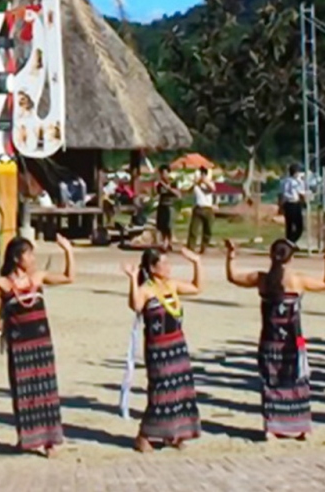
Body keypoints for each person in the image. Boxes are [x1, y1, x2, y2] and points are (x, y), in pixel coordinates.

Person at [0, 235, 75, 456]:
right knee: (23, 393)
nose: (33, 259)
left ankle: (49, 442)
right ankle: (25, 438)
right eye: (29, 254)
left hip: (42, 344)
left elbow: (69, 277)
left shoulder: (38, 277)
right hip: (20, 348)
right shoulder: (3, 283)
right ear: (17, 258)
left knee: (46, 391)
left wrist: (68, 251)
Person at [225, 239, 325, 441]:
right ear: (290, 258)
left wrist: (231, 255)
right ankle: (300, 426)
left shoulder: (262, 279)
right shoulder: (297, 280)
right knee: (297, 381)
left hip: (270, 338)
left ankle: (271, 426)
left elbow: (232, 277)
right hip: (292, 338)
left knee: (271, 381)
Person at [119, 247, 203, 452]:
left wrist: (197, 263)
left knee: (180, 391)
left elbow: (196, 288)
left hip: (177, 345)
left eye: (168, 263)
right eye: (163, 264)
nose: (168, 267)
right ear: (152, 268)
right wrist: (132, 278)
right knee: (161, 392)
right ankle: (144, 435)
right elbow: (136, 305)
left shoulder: (171, 285)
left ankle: (173, 435)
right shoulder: (147, 289)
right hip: (158, 348)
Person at [186, 168, 216, 253]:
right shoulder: (196, 185)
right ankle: (191, 248)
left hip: (208, 208)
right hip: (198, 207)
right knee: (193, 229)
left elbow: (212, 189)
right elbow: (188, 191)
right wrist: (196, 183)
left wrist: (204, 181)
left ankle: (204, 247)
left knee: (208, 230)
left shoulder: (209, 183)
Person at [152, 166, 180, 248]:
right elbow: (155, 194)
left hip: (170, 206)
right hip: (162, 205)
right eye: (162, 173)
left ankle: (170, 241)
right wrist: (154, 186)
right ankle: (165, 241)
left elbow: (178, 194)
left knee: (169, 225)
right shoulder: (159, 184)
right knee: (161, 225)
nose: (164, 175)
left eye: (165, 173)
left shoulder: (173, 182)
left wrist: (167, 187)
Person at [279, 165, 307, 245]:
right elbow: (300, 194)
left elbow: (281, 195)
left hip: (292, 204)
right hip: (292, 204)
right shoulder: (292, 181)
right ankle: (290, 242)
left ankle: (290, 241)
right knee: (294, 226)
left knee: (294, 226)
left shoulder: (289, 181)